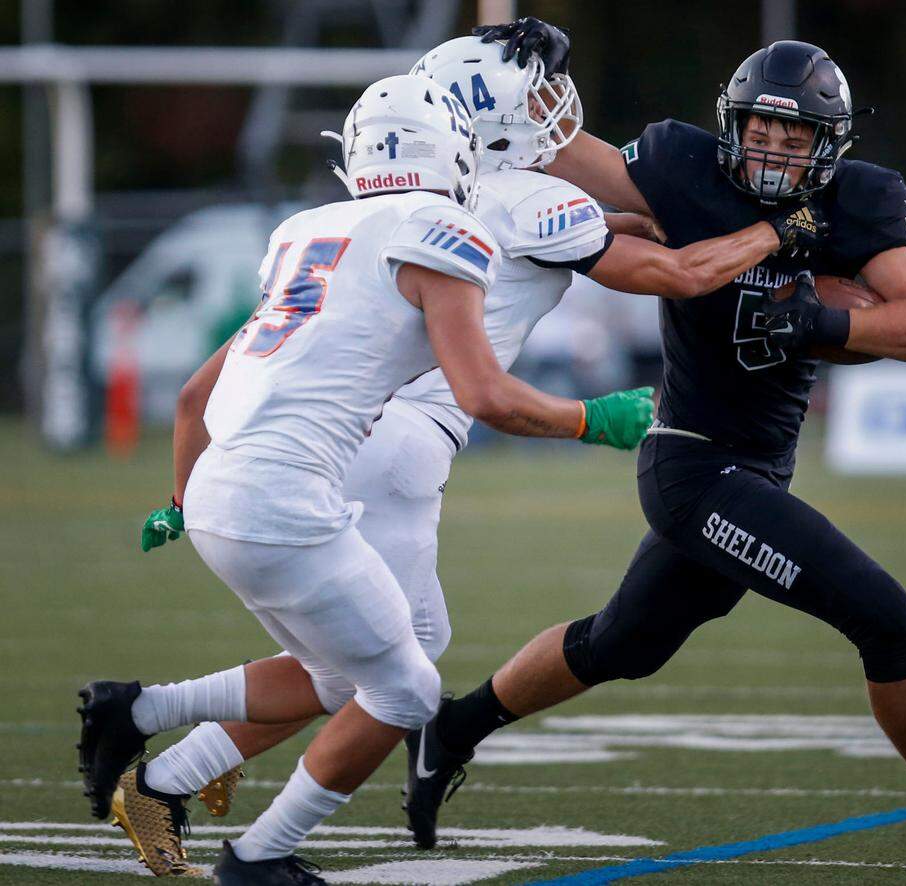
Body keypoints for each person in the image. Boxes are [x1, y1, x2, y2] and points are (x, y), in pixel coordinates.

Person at [100, 39, 803, 878]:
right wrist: (777, 229)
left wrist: (182, 494)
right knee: (392, 680)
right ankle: (194, 797)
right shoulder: (483, 212)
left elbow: (195, 395)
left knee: (379, 655)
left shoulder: (337, 223)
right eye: (534, 102)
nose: (554, 114)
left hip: (304, 442)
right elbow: (678, 274)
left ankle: (164, 748)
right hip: (387, 445)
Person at [399, 21, 906, 872]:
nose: (772, 147)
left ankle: (448, 731)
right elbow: (555, 145)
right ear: (731, 124)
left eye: (794, 134)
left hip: (760, 465)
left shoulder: (855, 202)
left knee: (621, 644)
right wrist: (481, 75)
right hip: (690, 463)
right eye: (758, 128)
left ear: (829, 144)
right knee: (883, 615)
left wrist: (824, 318)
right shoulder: (683, 169)